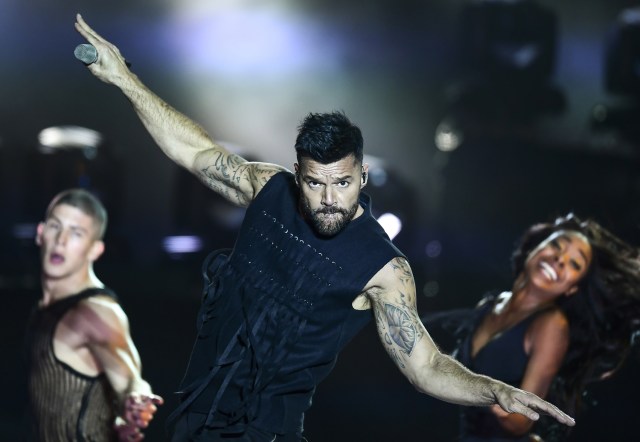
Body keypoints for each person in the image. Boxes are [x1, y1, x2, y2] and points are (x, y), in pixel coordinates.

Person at [73, 14, 576, 441]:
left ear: (361, 175)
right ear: (298, 174)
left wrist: (494, 389)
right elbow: (197, 151)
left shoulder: (383, 268)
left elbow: (424, 366)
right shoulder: (270, 191)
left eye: (342, 183)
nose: (330, 200)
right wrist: (124, 80)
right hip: (195, 412)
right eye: (316, 184)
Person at [425, 213, 640, 441]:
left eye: (575, 264)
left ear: (571, 289)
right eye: (557, 245)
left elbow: (522, 421)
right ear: (535, 248)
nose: (560, 259)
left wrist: (488, 393)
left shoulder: (551, 325)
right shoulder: (489, 305)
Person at [25, 188, 163, 441]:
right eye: (56, 226)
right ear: (40, 233)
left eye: (76, 233)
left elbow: (131, 379)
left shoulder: (96, 312)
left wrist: (134, 403)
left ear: (95, 250)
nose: (61, 241)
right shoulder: (43, 306)